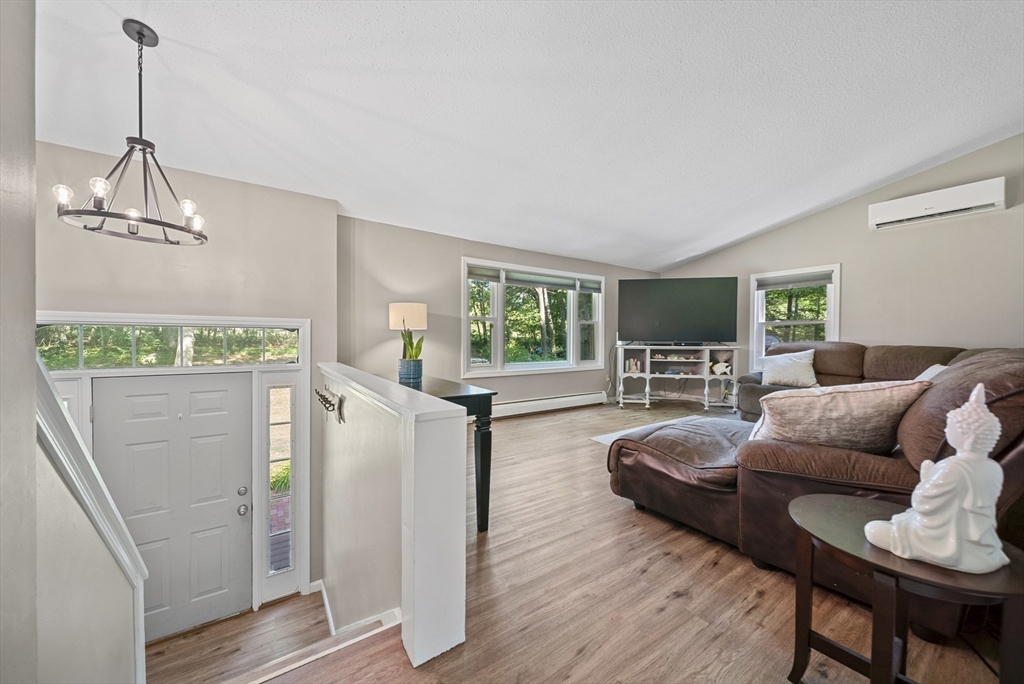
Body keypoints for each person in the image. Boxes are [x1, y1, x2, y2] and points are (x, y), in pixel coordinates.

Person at [864, 383, 1010, 574]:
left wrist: (926, 479)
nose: (946, 431)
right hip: (981, 543)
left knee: (873, 530)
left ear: (968, 436)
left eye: (951, 427)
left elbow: (923, 502)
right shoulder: (993, 468)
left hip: (939, 539)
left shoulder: (953, 467)